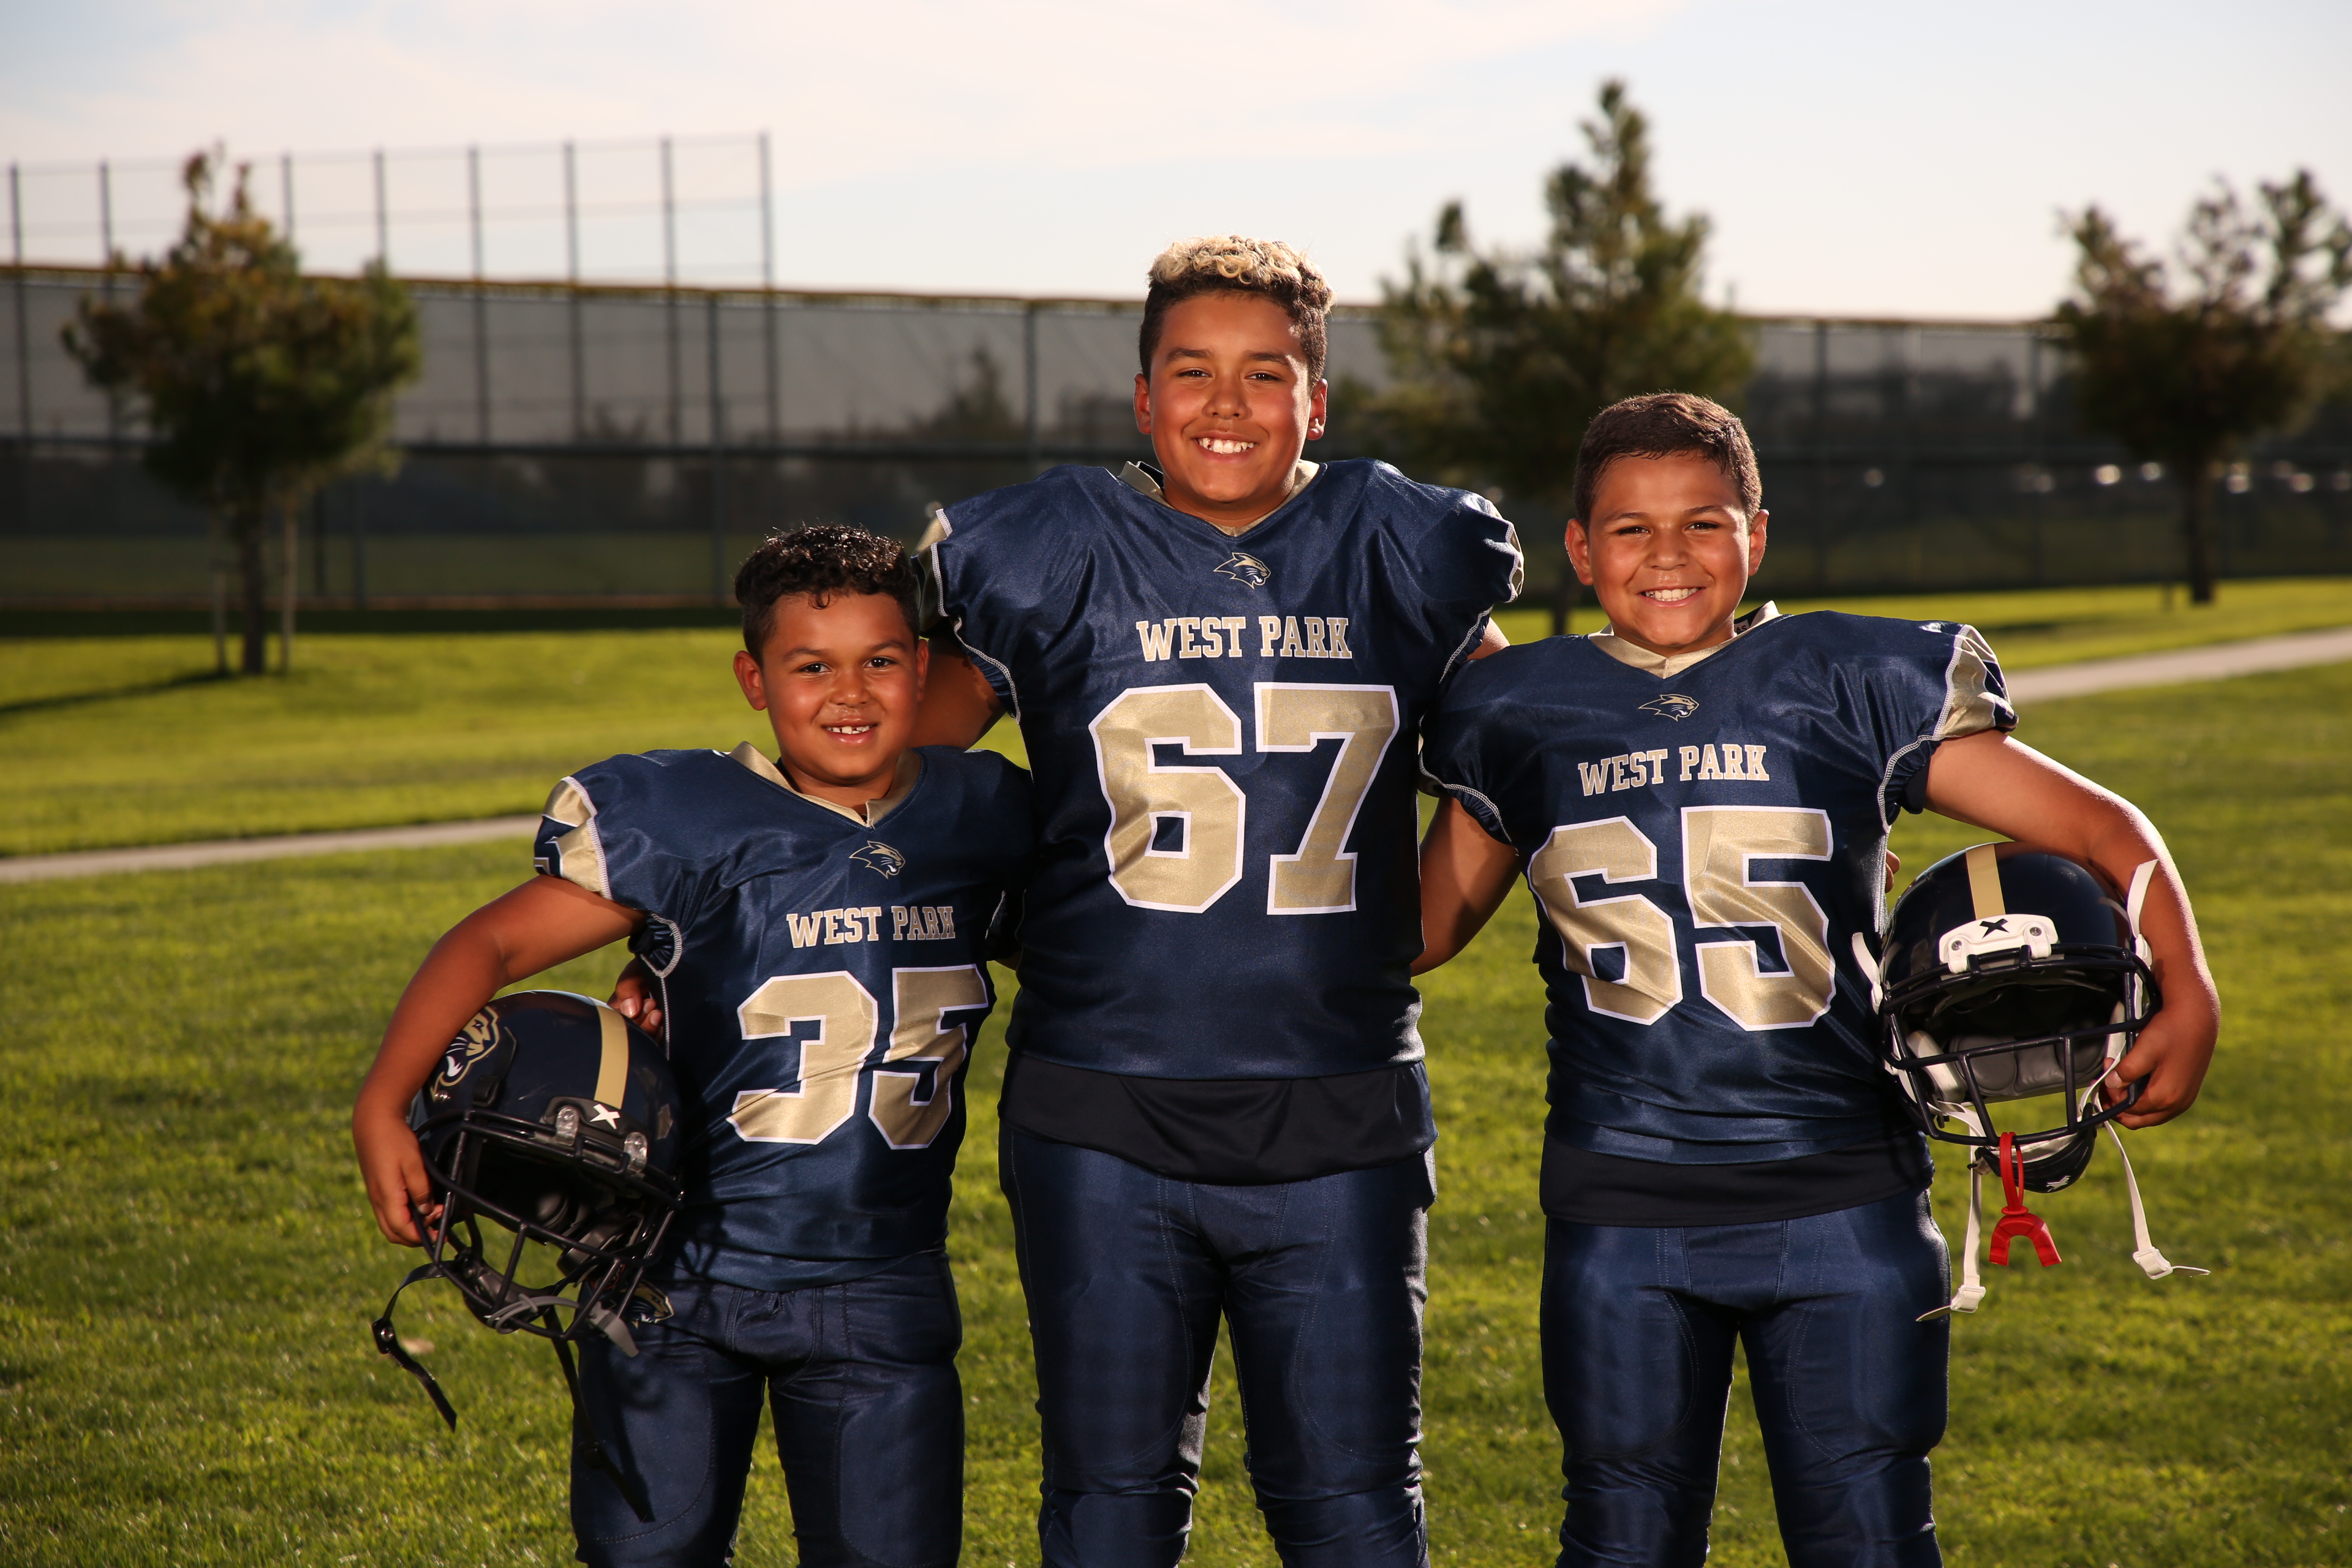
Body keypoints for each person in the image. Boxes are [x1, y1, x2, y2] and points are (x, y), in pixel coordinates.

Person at [797, 235, 1518, 1568]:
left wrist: (1426, 922)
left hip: (1340, 1111)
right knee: (1111, 1509)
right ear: (1143, 398)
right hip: (1102, 1114)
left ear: (1318, 401)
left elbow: (1522, 751)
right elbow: (871, 769)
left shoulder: (1402, 545)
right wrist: (693, 936)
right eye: (1192, 371)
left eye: (1265, 373)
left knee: (1357, 1511)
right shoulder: (1055, 548)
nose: (1226, 403)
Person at [1413, 392, 2218, 1568]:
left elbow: (2102, 829)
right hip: (1621, 1199)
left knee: (1870, 1536)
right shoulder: (1518, 709)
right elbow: (1422, 926)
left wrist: (2190, 990)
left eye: (1703, 523)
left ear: (1757, 534)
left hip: (1841, 1191)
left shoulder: (1848, 676)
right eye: (1631, 529)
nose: (1669, 554)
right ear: (1579, 549)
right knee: (1621, 1536)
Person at [353, 524, 1032, 1568]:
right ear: (754, 681)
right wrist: (381, 1105)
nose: (849, 694)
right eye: (812, 667)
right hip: (676, 1282)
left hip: (883, 1280)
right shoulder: (689, 820)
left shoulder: (980, 815)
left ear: (921, 669)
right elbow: (491, 943)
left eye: (880, 661)